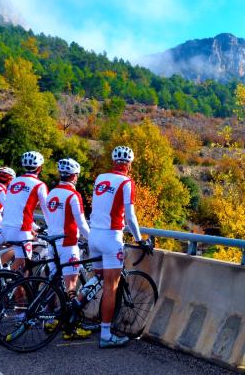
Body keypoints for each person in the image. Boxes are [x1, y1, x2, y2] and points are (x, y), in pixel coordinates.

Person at [88, 146, 151, 348]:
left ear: (114, 162)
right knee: (110, 287)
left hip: (93, 235)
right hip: (110, 237)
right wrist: (140, 239)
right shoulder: (126, 182)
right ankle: (106, 335)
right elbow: (130, 216)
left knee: (97, 279)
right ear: (129, 164)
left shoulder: (100, 178)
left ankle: (72, 312)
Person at [43, 158, 92, 340]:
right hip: (68, 243)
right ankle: (70, 329)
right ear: (74, 175)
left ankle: (49, 321)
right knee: (71, 285)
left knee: (54, 282)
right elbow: (82, 224)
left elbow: (50, 218)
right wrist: (93, 240)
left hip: (52, 242)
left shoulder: (52, 193)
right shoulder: (74, 195)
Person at [1, 151, 50, 272]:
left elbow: (15, 207)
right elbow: (47, 210)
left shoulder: (14, 181)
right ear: (39, 168)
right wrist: (53, 227)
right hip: (21, 230)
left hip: (6, 226)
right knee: (24, 266)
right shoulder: (39, 185)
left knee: (19, 258)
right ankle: (5, 281)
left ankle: (1, 278)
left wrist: (33, 226)